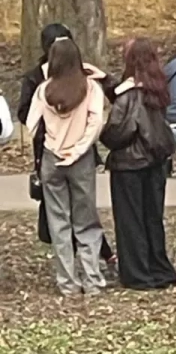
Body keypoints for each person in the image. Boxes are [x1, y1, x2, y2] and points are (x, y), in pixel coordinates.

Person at [17, 23, 117, 267]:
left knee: (82, 213)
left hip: (76, 150)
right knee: (60, 216)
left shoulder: (84, 76)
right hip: (53, 152)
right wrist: (52, 133)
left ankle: (93, 263)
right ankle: (74, 271)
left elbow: (101, 110)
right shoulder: (36, 79)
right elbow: (26, 114)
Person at [26, 37, 106, 296]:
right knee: (87, 221)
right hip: (80, 160)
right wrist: (78, 148)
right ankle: (92, 280)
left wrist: (50, 141)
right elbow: (96, 122)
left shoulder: (44, 90)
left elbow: (31, 124)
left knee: (59, 223)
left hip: (52, 159)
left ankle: (67, 282)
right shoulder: (90, 88)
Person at [100, 38, 176, 291]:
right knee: (152, 217)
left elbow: (118, 131)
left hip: (129, 164)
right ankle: (159, 269)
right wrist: (107, 81)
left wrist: (104, 135)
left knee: (130, 220)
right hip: (156, 161)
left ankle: (137, 274)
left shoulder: (129, 95)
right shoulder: (158, 91)